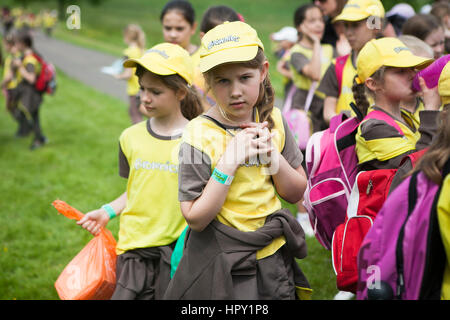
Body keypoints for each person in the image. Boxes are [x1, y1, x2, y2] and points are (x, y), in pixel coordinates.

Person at [164, 21, 311, 300]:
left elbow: (295, 192)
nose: (235, 91)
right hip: (225, 262)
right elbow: (195, 218)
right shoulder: (198, 134)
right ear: (207, 81)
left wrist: (273, 158)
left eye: (245, 77)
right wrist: (228, 163)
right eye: (222, 81)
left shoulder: (273, 120)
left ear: (263, 71)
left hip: (273, 255)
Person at [77, 43, 203, 300]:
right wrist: (107, 211)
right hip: (133, 248)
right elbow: (137, 189)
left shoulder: (199, 138)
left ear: (180, 92)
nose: (144, 97)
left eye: (155, 91)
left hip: (179, 251)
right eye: (143, 88)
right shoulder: (129, 137)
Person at [352, 37, 441, 172]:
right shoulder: (373, 127)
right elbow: (417, 170)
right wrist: (431, 111)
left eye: (412, 68)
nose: (413, 75)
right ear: (373, 84)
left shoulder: (406, 117)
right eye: (400, 71)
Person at [319, 0, 384, 125]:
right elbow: (328, 113)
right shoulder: (337, 66)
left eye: (355, 25)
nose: (348, 32)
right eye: (346, 25)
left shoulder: (390, 65)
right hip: (346, 141)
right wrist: (350, 123)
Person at [289, 3, 334, 134]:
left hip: (324, 107)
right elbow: (315, 74)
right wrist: (316, 43)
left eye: (321, 20)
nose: (319, 24)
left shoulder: (330, 49)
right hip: (304, 107)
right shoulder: (296, 52)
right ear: (300, 26)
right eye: (312, 21)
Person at [192, 5, 242, 111]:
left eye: (230, 39)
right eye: (218, 40)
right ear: (203, 38)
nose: (224, 46)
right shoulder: (194, 77)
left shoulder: (247, 73)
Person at [13, 31, 47, 149]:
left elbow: (31, 78)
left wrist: (20, 67)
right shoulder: (29, 55)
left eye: (16, 43)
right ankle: (38, 136)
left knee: (34, 116)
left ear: (23, 44)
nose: (15, 45)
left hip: (32, 93)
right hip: (30, 92)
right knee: (26, 113)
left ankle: (38, 140)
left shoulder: (30, 59)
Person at [114, 24, 146, 124]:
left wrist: (118, 76)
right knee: (133, 111)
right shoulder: (142, 51)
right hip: (143, 88)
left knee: (135, 116)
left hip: (133, 90)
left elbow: (128, 74)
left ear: (127, 36)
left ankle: (139, 137)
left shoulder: (128, 52)